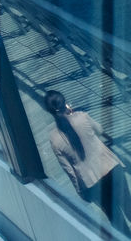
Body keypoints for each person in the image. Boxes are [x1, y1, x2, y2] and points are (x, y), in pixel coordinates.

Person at [46, 90, 131, 231]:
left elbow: (69, 171)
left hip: (92, 182)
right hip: (110, 167)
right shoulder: (82, 117)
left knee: (115, 219)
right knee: (128, 205)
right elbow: (99, 129)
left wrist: (81, 192)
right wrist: (73, 114)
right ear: (65, 104)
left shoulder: (54, 139)